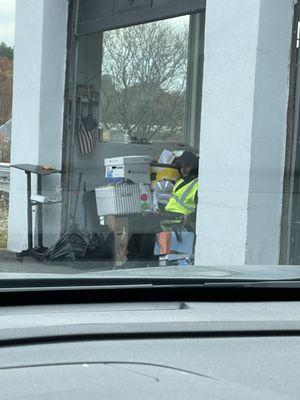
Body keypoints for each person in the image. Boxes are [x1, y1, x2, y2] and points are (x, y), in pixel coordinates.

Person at [161, 151, 199, 232]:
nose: (183, 170)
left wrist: (191, 216)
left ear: (195, 166)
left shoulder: (199, 185)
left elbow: (204, 210)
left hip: (182, 221)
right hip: (169, 216)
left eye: (187, 166)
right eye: (181, 166)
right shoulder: (181, 180)